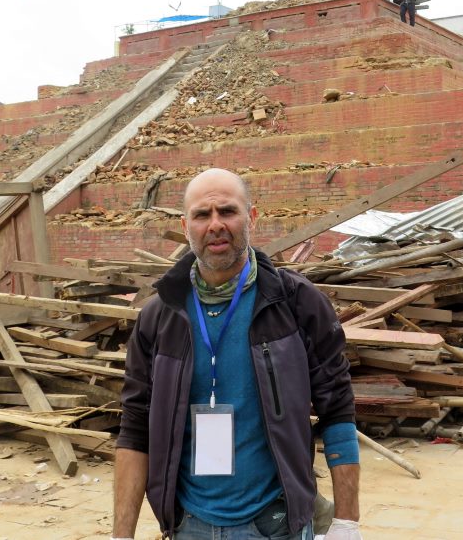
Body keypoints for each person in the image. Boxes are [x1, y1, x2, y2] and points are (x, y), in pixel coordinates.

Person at [113, 169, 362, 540]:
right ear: (186, 226)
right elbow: (135, 428)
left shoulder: (296, 304)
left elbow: (337, 409)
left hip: (276, 524)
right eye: (202, 215)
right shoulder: (159, 317)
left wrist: (346, 522)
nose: (215, 225)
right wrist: (121, 535)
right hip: (188, 525)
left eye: (227, 211)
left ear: (252, 217)